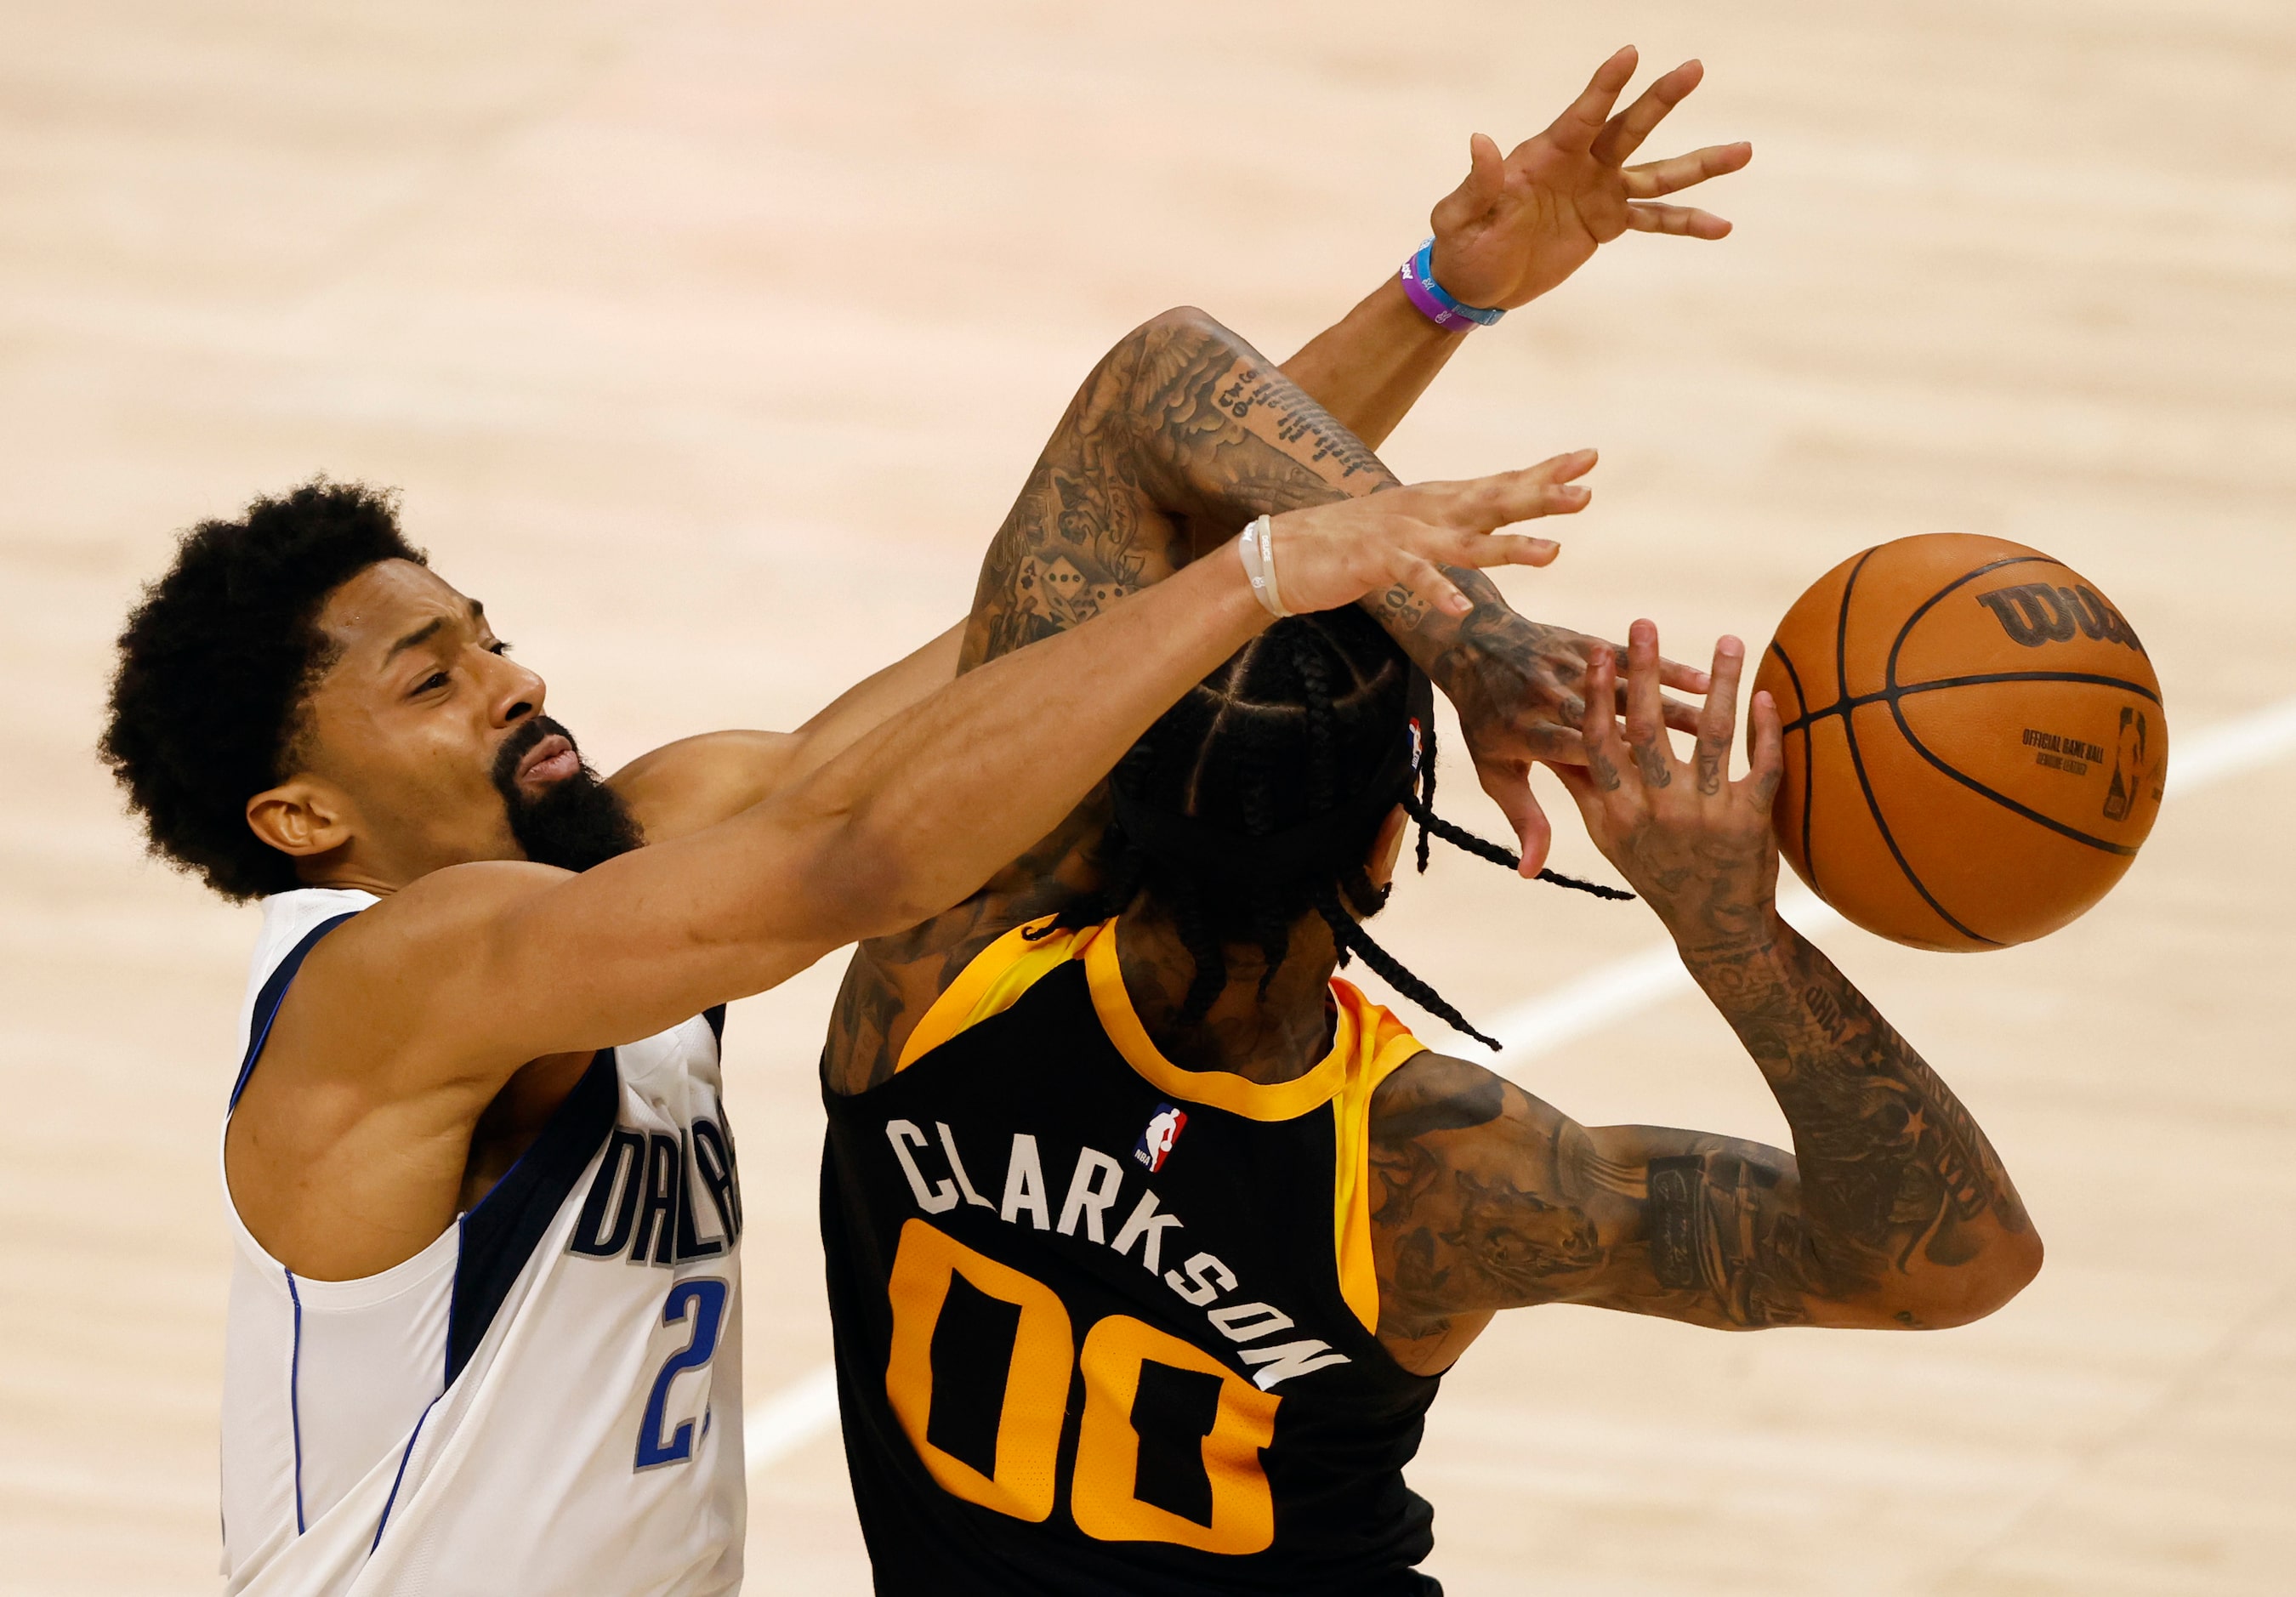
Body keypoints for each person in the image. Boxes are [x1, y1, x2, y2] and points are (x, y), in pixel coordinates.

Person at [101, 364, 1564, 1592]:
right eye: (431, 680)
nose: (514, 681)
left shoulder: (616, 875)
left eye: (491, 638)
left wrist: (1441, 294)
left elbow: (1057, 600)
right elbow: (858, 857)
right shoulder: (376, 983)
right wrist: (1255, 579)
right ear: (303, 821)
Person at [816, 616, 2045, 1595]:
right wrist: (1732, 936)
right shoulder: (1434, 1166)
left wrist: (1441, 614)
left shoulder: (929, 962)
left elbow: (1150, 404)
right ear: (1390, 835)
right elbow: (1953, 1263)